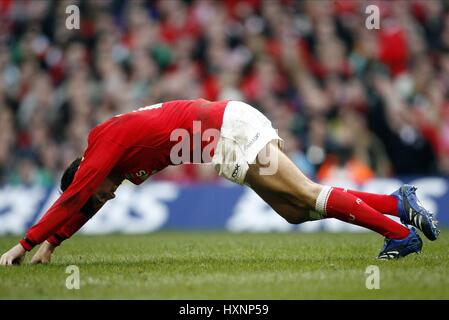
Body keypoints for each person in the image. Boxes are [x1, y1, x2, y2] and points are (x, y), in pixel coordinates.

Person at [0, 99, 440, 265]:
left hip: (230, 129)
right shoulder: (106, 164)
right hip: (223, 142)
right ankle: (396, 203)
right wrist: (54, 243)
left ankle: (399, 233)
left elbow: (78, 197)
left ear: (84, 173)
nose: (107, 196)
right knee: (294, 212)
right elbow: (86, 203)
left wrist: (24, 243)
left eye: (100, 192)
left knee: (306, 193)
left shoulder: (101, 150)